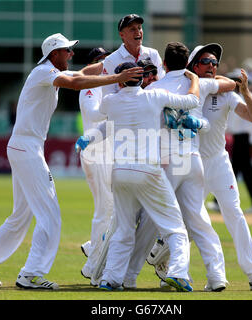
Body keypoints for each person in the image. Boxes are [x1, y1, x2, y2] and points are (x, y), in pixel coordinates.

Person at [0, 33, 143, 290]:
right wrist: (117, 77)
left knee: (20, 216)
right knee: (50, 215)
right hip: (26, 147)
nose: (71, 54)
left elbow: (81, 74)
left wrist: (116, 61)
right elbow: (76, 84)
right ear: (54, 54)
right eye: (67, 51)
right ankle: (32, 273)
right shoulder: (43, 72)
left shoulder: (50, 72)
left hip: (23, 146)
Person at [123, 42, 237, 292]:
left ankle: (130, 276)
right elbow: (231, 84)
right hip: (193, 160)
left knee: (153, 221)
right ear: (187, 64)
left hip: (167, 162)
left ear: (164, 64)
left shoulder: (154, 87)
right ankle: (217, 276)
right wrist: (201, 79)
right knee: (198, 219)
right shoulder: (198, 83)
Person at [78, 61, 201, 292]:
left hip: (120, 173)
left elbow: (102, 120)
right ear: (142, 78)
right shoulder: (154, 96)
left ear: (121, 79)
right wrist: (193, 79)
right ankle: (178, 273)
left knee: (123, 229)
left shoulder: (110, 101)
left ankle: (111, 279)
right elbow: (192, 101)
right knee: (175, 228)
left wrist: (90, 136)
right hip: (148, 171)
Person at [187, 43, 252, 291]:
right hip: (192, 163)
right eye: (206, 61)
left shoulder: (226, 93)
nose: (212, 66)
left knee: (234, 214)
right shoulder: (186, 90)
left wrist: (246, 92)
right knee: (187, 223)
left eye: (215, 62)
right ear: (194, 65)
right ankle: (174, 271)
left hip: (218, 161)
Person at [77, 47, 114, 282]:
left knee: (111, 209)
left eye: (105, 60)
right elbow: (93, 112)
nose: (103, 65)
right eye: (99, 61)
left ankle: (94, 247)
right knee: (104, 209)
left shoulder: (106, 86)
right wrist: (117, 107)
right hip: (95, 152)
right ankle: (93, 266)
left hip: (104, 152)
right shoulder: (90, 85)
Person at [226, 69, 252, 214]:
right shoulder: (234, 96)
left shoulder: (247, 96)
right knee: (235, 170)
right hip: (239, 138)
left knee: (242, 172)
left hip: (245, 138)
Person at [101, 13, 165, 96]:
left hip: (152, 106)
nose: (138, 32)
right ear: (122, 34)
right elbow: (108, 94)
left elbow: (161, 83)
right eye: (132, 29)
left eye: (139, 28)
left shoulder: (153, 54)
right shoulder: (111, 60)